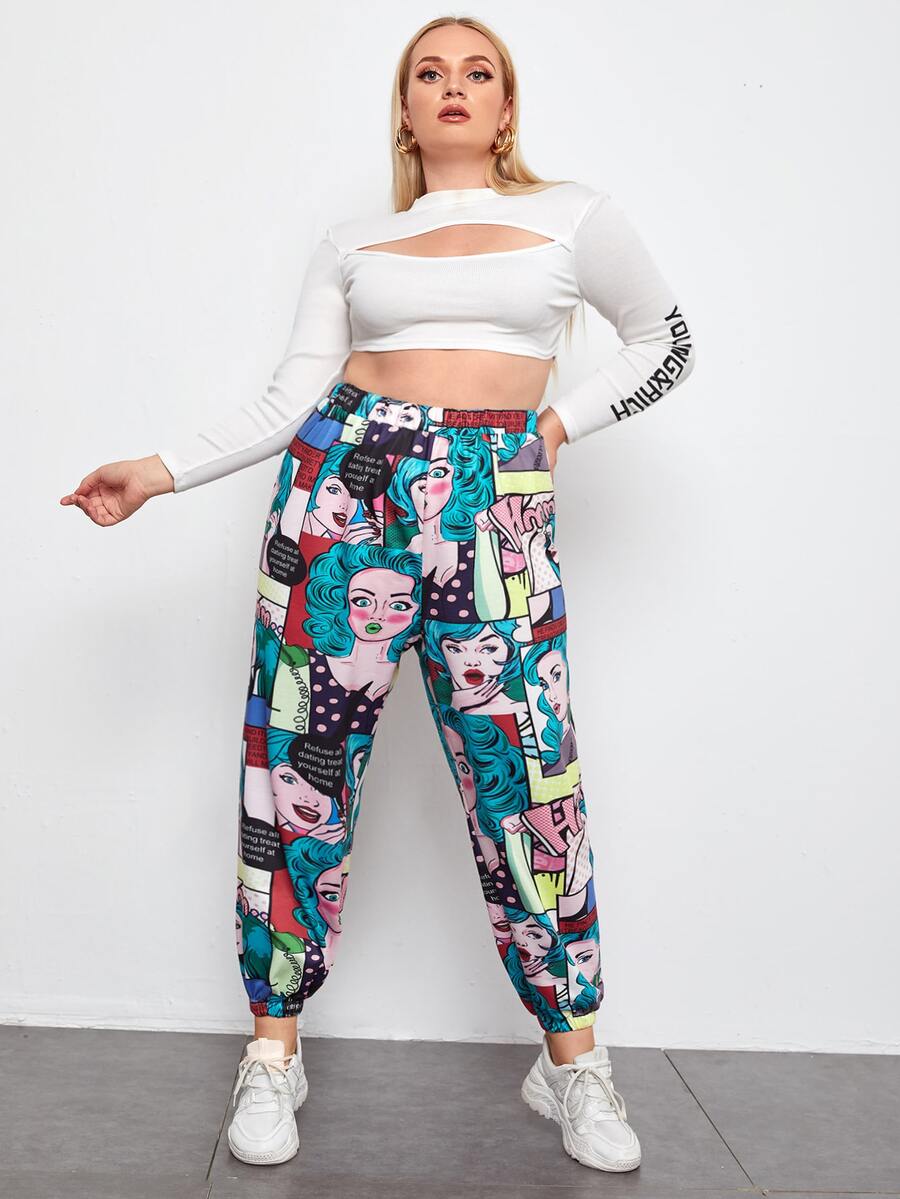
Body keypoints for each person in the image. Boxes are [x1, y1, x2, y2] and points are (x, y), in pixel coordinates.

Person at [59, 14, 696, 1176]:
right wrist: (159, 470)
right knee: (297, 767)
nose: (453, 87)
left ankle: (573, 1060)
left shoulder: (575, 216)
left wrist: (555, 425)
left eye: (478, 72)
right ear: (404, 109)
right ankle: (273, 1049)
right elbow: (290, 395)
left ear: (506, 107)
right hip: (342, 489)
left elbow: (668, 339)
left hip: (493, 500)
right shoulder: (356, 241)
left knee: (528, 773)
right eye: (428, 73)